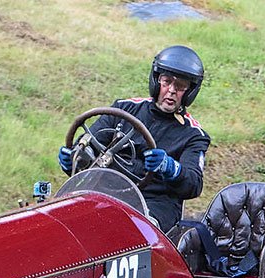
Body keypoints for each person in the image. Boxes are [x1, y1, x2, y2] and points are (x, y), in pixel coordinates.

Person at [58, 45, 211, 232]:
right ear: (156, 82)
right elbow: (88, 143)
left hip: (154, 204)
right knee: (63, 218)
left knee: (126, 231)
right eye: (166, 82)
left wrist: (171, 168)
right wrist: (73, 159)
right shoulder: (123, 109)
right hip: (106, 192)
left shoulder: (194, 135)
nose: (171, 91)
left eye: (179, 87)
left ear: (189, 92)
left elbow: (193, 185)